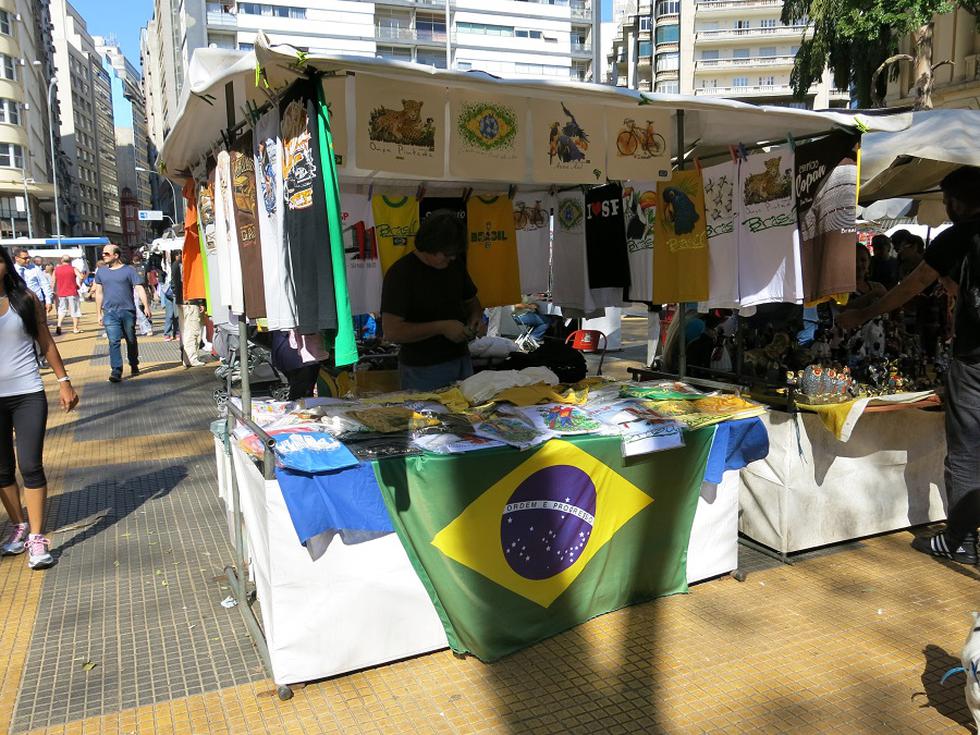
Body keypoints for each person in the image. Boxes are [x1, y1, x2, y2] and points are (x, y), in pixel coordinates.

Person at [838, 166, 980, 564]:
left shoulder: (960, 236)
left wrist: (862, 315)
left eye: (948, 202)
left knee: (967, 449)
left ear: (956, 202)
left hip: (975, 362)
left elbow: (911, 286)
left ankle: (960, 540)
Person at [0, 247, 78, 569]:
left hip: (28, 393)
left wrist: (64, 381)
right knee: (2, 469)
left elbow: (45, 342)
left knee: (30, 465)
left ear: (5, 265)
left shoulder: (25, 299)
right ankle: (19, 525)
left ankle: (36, 536)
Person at [381, 210, 483, 391]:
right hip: (422, 370)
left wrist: (475, 317)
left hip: (461, 360)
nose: (451, 258)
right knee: (429, 419)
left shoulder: (455, 265)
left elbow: (472, 301)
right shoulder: (401, 274)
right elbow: (392, 332)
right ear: (429, 245)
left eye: (454, 254)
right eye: (446, 254)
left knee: (468, 417)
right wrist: (442, 327)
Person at [94, 244, 151, 383]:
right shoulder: (101, 272)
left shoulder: (129, 270)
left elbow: (139, 288)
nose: (103, 255)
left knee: (130, 339)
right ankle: (116, 370)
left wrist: (146, 306)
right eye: (103, 253)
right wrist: (98, 313)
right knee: (113, 341)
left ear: (116, 255)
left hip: (127, 311)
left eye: (107, 253)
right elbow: (99, 293)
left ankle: (133, 362)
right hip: (110, 312)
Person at [12, 249, 53, 315]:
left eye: (28, 258)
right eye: (25, 258)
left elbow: (44, 284)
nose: (28, 260)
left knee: (40, 324)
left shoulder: (35, 268)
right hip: (19, 303)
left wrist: (48, 301)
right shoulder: (11, 270)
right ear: (16, 258)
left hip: (37, 302)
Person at [53, 255, 83, 335]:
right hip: (72, 292)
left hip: (61, 293)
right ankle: (75, 328)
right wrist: (79, 284)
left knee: (62, 310)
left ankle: (59, 325)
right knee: (75, 310)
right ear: (70, 261)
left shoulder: (56, 270)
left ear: (61, 260)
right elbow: (81, 276)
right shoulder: (73, 268)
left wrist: (54, 291)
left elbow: (53, 282)